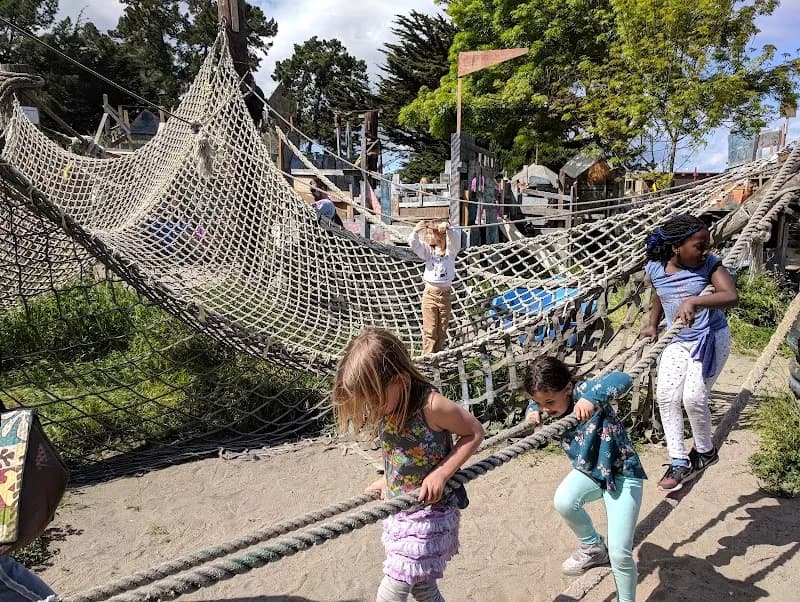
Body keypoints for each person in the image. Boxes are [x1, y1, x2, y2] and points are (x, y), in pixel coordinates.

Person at [333, 327, 483, 602]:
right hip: (402, 505)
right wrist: (389, 478)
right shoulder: (390, 404)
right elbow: (399, 449)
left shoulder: (432, 405)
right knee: (423, 587)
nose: (373, 409)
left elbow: (474, 432)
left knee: (394, 588)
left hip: (432, 511)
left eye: (375, 400)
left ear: (400, 381)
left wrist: (441, 473)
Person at [524, 356, 646, 602]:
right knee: (564, 500)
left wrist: (592, 398)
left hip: (622, 473)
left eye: (549, 401)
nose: (546, 408)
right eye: (539, 402)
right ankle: (592, 546)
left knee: (620, 553)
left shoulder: (585, 391)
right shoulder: (547, 404)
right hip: (590, 472)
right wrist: (532, 410)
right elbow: (539, 403)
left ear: (568, 388)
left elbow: (622, 378)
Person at [640, 214, 738, 491]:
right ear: (676, 248)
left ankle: (705, 452)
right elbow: (659, 294)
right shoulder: (656, 268)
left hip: (709, 339)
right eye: (699, 245)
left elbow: (731, 295)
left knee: (693, 397)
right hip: (677, 341)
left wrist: (695, 300)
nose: (705, 250)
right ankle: (679, 460)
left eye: (706, 244)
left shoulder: (709, 264)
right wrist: (652, 324)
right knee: (666, 396)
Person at [408, 221, 460, 355]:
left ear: (439, 236)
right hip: (430, 295)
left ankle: (438, 359)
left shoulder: (450, 251)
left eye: (430, 234)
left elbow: (455, 239)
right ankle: (427, 359)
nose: (427, 236)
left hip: (445, 296)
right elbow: (414, 245)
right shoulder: (428, 251)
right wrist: (415, 232)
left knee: (442, 332)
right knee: (430, 331)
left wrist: (448, 228)